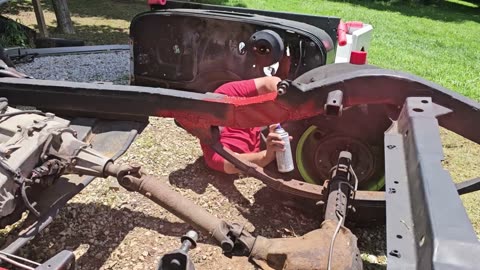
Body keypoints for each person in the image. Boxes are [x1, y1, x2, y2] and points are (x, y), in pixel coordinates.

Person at [201, 76, 291, 174]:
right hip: (276, 146)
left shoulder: (224, 95)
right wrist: (267, 155)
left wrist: (279, 112)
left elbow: (270, 82)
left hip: (283, 117)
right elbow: (230, 164)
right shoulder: (215, 153)